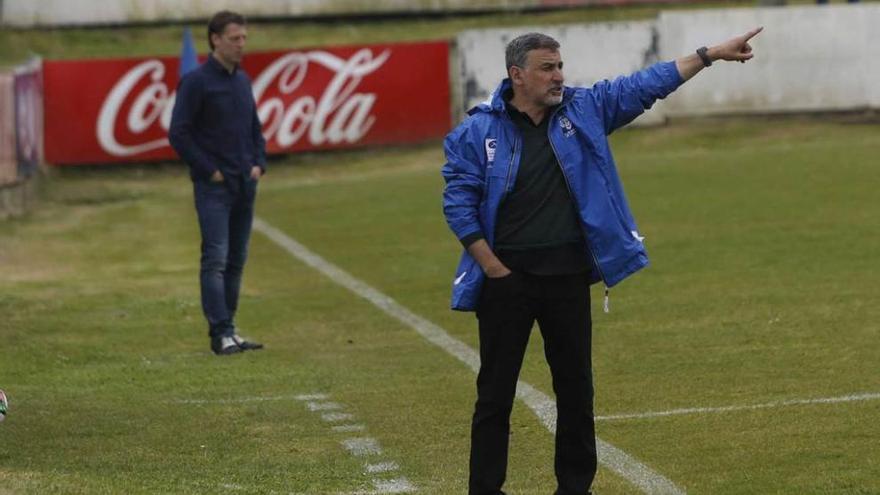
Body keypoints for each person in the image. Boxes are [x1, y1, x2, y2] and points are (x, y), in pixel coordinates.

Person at [442, 28, 762, 495]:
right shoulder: (476, 131)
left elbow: (644, 85)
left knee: (576, 392)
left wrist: (708, 55)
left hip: (568, 277)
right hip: (505, 280)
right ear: (517, 75)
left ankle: (575, 488)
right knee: (494, 395)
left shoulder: (584, 109)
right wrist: (493, 269)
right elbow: (458, 204)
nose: (559, 76)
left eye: (560, 66)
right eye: (547, 68)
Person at [169, 10, 266, 356]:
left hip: (244, 183)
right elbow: (178, 133)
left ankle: (231, 328)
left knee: (236, 261)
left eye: (244, 38)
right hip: (214, 187)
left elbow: (254, 126)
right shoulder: (196, 82)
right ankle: (220, 332)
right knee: (216, 259)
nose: (241, 44)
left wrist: (259, 163)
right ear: (215, 39)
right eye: (234, 38)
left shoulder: (242, 80)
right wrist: (209, 170)